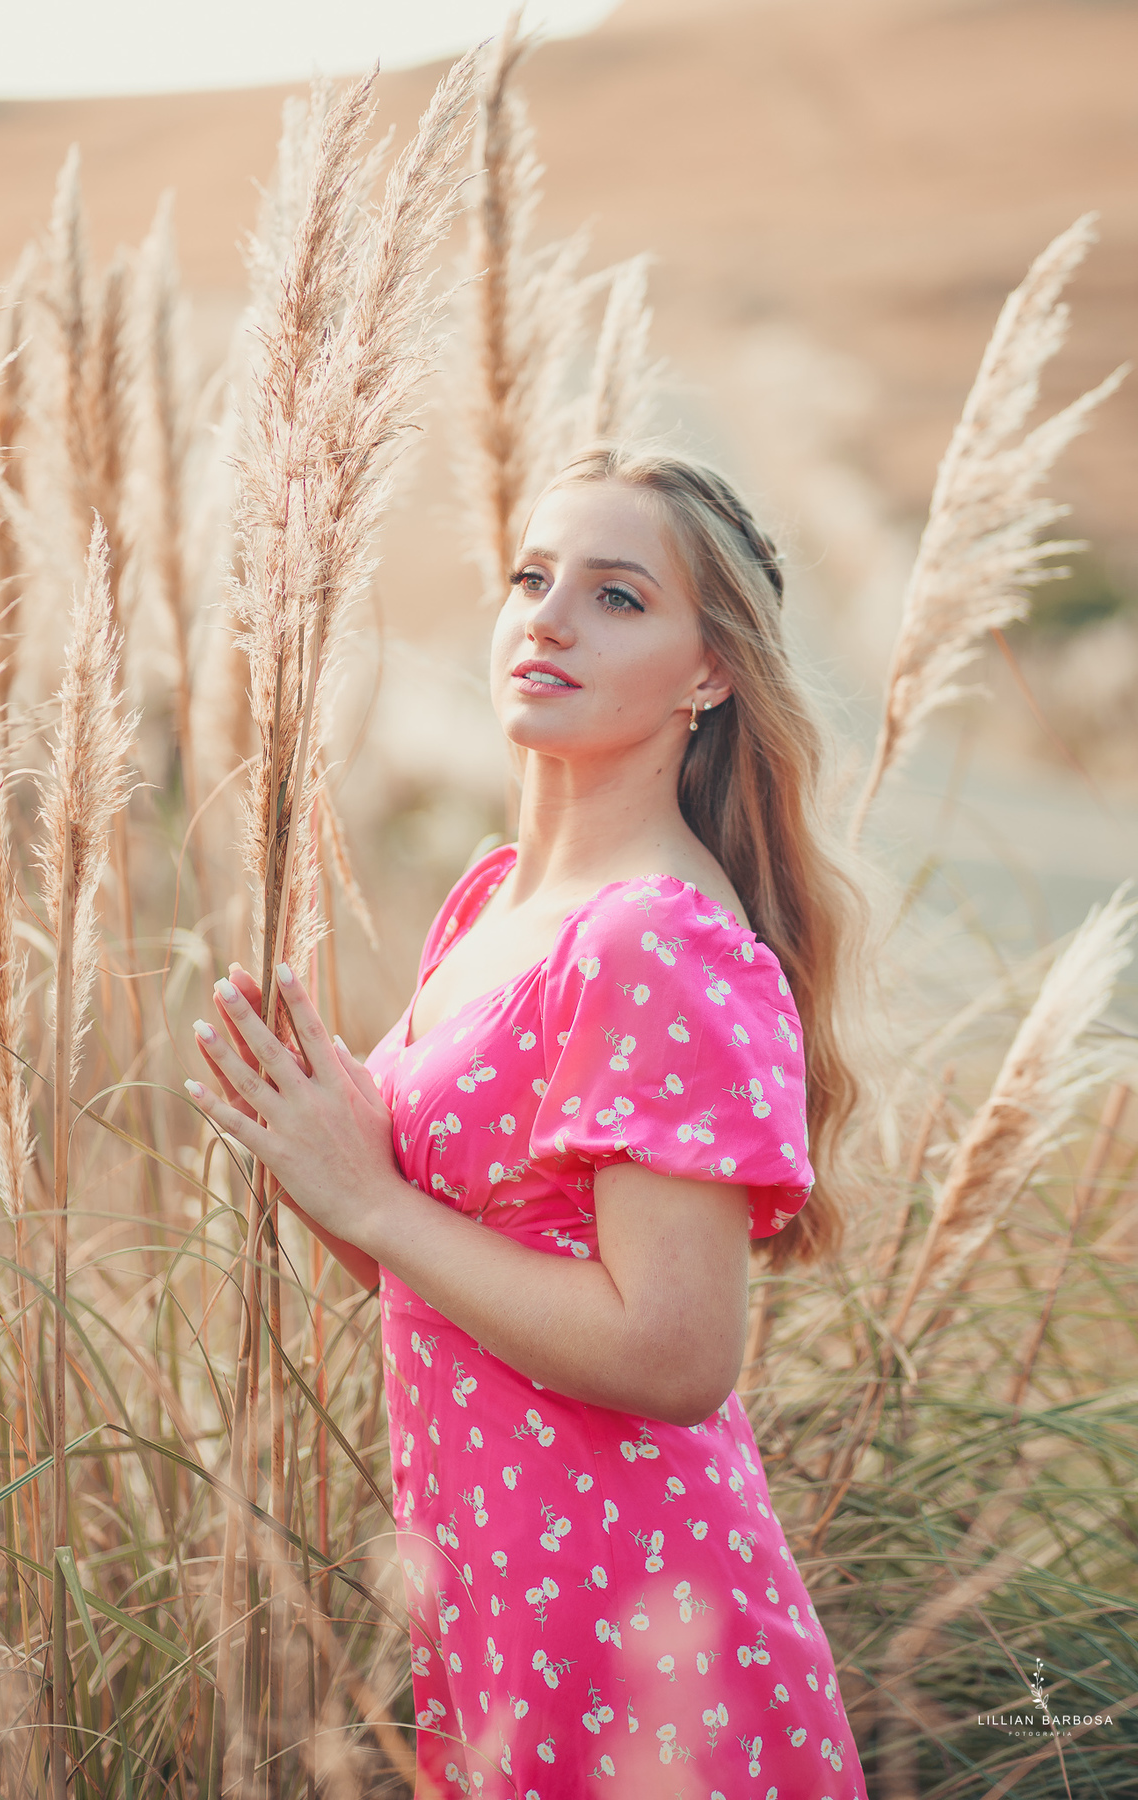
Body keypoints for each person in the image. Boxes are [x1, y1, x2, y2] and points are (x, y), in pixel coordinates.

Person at [189, 443, 870, 1798]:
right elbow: (430, 1281)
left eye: (618, 597)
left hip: (645, 1634)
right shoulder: (493, 903)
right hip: (500, 1612)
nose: (548, 617)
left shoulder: (657, 942)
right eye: (533, 576)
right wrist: (309, 1153)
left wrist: (370, 1196)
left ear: (711, 672)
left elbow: (676, 1355)